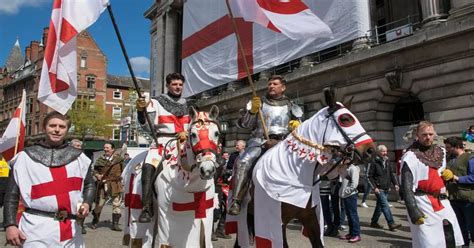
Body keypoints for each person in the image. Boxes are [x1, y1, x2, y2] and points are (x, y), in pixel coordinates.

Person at [4, 111, 95, 247]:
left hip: (70, 228)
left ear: (67, 129)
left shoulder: (80, 158)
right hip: (35, 228)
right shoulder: (24, 158)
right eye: (52, 126)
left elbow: (89, 185)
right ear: (44, 128)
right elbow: (12, 195)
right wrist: (10, 225)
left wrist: (87, 203)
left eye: (62, 127)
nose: (57, 130)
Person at [228, 75, 303, 215]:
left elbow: (301, 127)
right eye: (269, 84)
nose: (271, 86)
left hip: (283, 143)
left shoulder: (291, 105)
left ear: (283, 87)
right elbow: (244, 125)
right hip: (259, 142)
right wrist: (252, 112)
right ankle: (236, 200)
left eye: (275, 84)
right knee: (244, 162)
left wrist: (297, 125)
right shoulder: (258, 102)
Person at [135, 72, 189, 223]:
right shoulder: (155, 102)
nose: (178, 87)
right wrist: (141, 112)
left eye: (180, 84)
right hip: (162, 141)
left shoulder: (190, 104)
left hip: (185, 141)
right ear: (167, 85)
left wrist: (188, 133)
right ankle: (146, 207)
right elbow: (147, 126)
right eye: (174, 84)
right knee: (148, 166)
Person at [400, 121, 464, 247]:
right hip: (422, 202)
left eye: (430, 134)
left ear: (434, 134)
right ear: (417, 135)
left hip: (442, 201)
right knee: (428, 242)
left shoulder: (441, 151)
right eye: (424, 134)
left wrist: (448, 176)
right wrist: (413, 210)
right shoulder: (410, 156)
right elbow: (406, 187)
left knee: (450, 235)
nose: (428, 137)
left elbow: (439, 174)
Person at [442, 137, 474, 247]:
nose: (447, 150)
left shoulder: (470, 158)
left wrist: (458, 178)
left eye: (449, 147)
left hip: (468, 199)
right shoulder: (450, 160)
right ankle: (465, 245)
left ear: (457, 147)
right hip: (453, 199)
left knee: (472, 227)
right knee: (461, 227)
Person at [91, 142, 124, 231]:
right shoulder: (100, 160)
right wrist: (97, 176)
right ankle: (95, 220)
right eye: (104, 147)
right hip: (103, 184)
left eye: (107, 148)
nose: (105, 149)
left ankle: (115, 224)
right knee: (100, 204)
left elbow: (124, 170)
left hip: (115, 184)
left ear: (112, 149)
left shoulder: (119, 159)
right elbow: (94, 171)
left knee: (116, 205)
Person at [368, 144, 402, 231]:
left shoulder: (387, 160)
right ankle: (391, 223)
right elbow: (369, 176)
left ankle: (374, 222)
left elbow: (391, 173)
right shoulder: (373, 161)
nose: (385, 153)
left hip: (386, 187)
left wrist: (395, 184)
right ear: (378, 152)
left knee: (379, 206)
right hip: (379, 188)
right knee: (385, 205)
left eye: (386, 151)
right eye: (383, 151)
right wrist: (374, 187)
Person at [339, 164, 361, 243]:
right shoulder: (346, 168)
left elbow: (354, 183)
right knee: (349, 215)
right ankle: (351, 233)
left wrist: (346, 192)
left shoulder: (353, 168)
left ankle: (356, 234)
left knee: (353, 215)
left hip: (350, 195)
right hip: (346, 195)